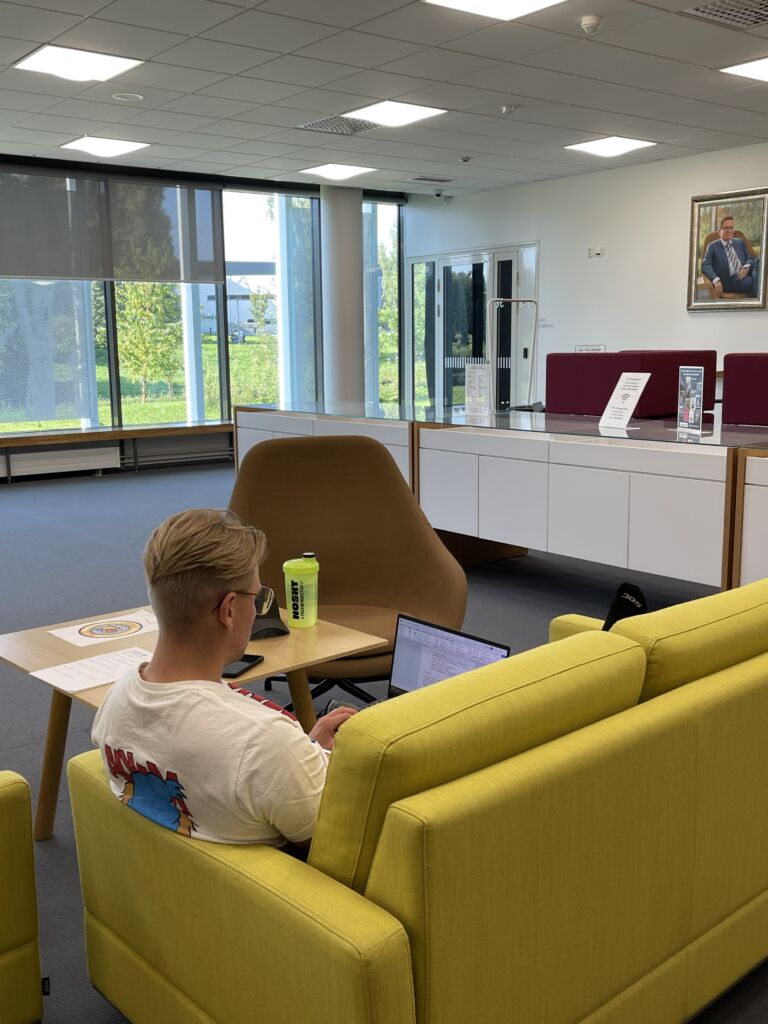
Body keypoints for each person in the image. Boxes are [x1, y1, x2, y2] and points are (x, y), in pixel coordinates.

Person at [91, 507, 355, 852]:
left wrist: (306, 755)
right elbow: (333, 848)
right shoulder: (264, 743)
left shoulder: (119, 696)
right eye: (256, 597)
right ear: (229, 609)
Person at [701, 215, 760, 299]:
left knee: (759, 260)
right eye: (726, 228)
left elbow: (749, 257)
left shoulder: (739, 242)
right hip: (730, 280)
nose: (729, 230)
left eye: (731, 228)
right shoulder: (712, 246)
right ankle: (757, 296)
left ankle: (756, 294)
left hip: (744, 271)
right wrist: (716, 280)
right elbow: (705, 265)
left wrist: (746, 266)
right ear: (720, 231)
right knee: (757, 281)